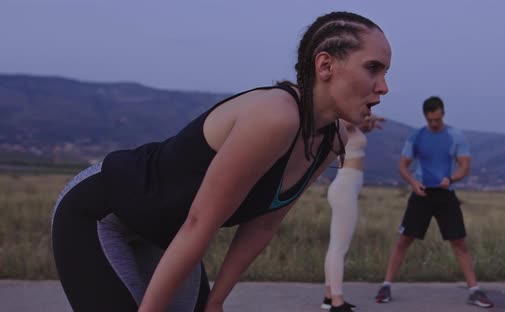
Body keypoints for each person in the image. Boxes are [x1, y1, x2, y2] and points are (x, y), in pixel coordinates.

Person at [50, 11, 392, 312]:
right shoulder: (276, 116)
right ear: (326, 65)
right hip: (102, 213)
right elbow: (200, 222)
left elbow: (262, 226)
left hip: (163, 236)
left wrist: (216, 301)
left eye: (386, 72)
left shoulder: (332, 139)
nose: (384, 87)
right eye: (373, 68)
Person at [374, 96, 494, 309]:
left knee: (459, 243)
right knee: (404, 240)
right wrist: (412, 182)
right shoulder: (416, 136)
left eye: (437, 119)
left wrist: (452, 179)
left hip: (446, 194)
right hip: (422, 194)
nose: (434, 124)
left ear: (443, 114)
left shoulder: (456, 136)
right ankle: (386, 286)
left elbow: (465, 167)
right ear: (425, 118)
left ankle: (474, 290)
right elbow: (403, 166)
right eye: (430, 120)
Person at [321, 114, 384, 312]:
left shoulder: (352, 127)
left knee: (335, 246)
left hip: (348, 186)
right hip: (345, 187)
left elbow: (355, 134)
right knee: (340, 247)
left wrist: (367, 126)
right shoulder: (341, 119)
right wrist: (366, 116)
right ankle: (337, 302)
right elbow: (348, 122)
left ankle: (330, 296)